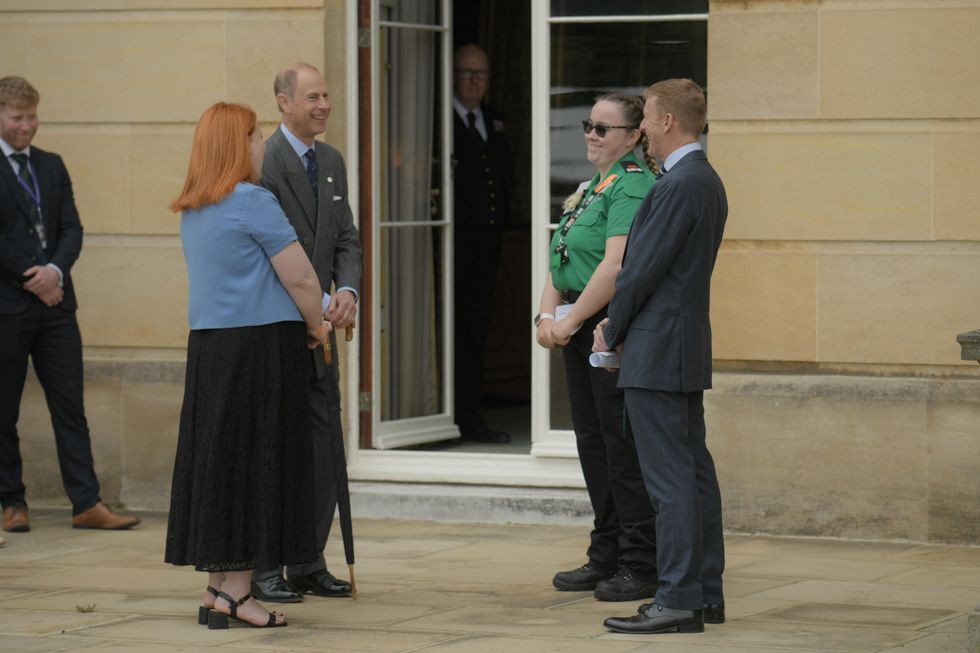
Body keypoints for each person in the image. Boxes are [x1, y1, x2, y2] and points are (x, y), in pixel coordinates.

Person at [165, 101, 329, 629]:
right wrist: (318, 325)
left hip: (211, 349)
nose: (261, 145)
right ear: (238, 146)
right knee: (257, 464)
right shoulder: (252, 200)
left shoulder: (194, 206)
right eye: (254, 137)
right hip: (260, 349)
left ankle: (217, 588)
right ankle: (240, 592)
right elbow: (302, 279)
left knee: (219, 461)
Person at [594, 79, 727, 635]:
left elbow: (641, 269)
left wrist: (611, 328)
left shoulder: (678, 184)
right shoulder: (705, 180)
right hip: (681, 343)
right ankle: (703, 595)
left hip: (658, 347)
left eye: (646, 118)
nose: (642, 128)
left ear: (668, 121)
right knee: (693, 475)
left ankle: (676, 600)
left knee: (670, 480)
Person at [0, 75, 141, 534]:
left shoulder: (51, 165)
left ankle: (86, 502)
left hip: (57, 306)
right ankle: (12, 502)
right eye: (17, 118)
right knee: (5, 408)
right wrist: (33, 278)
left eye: (32, 116)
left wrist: (55, 273)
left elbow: (72, 229)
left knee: (70, 406)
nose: (27, 126)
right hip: (9, 307)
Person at [536, 94, 658, 602]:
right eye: (589, 124)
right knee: (592, 442)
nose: (592, 134)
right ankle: (605, 552)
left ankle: (639, 561)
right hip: (574, 321)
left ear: (633, 137)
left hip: (605, 328)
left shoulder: (631, 187)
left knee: (619, 446)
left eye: (605, 128)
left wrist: (574, 321)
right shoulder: (593, 186)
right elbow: (559, 255)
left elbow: (614, 267)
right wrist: (546, 315)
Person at [250, 62, 360, 604]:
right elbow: (266, 255)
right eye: (312, 96)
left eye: (326, 96)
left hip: (323, 332)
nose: (323, 105)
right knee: (277, 451)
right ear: (282, 101)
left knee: (323, 448)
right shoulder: (263, 162)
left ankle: (307, 560)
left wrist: (349, 293)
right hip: (278, 329)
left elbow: (346, 239)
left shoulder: (333, 160)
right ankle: (264, 564)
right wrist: (317, 304)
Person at [452, 44, 514, 444]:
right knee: (453, 329)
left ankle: (472, 414)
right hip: (450, 242)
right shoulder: (438, 121)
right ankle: (453, 414)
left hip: (488, 243)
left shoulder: (494, 120)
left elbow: (507, 177)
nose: (475, 80)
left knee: (477, 329)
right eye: (467, 72)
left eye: (482, 73)